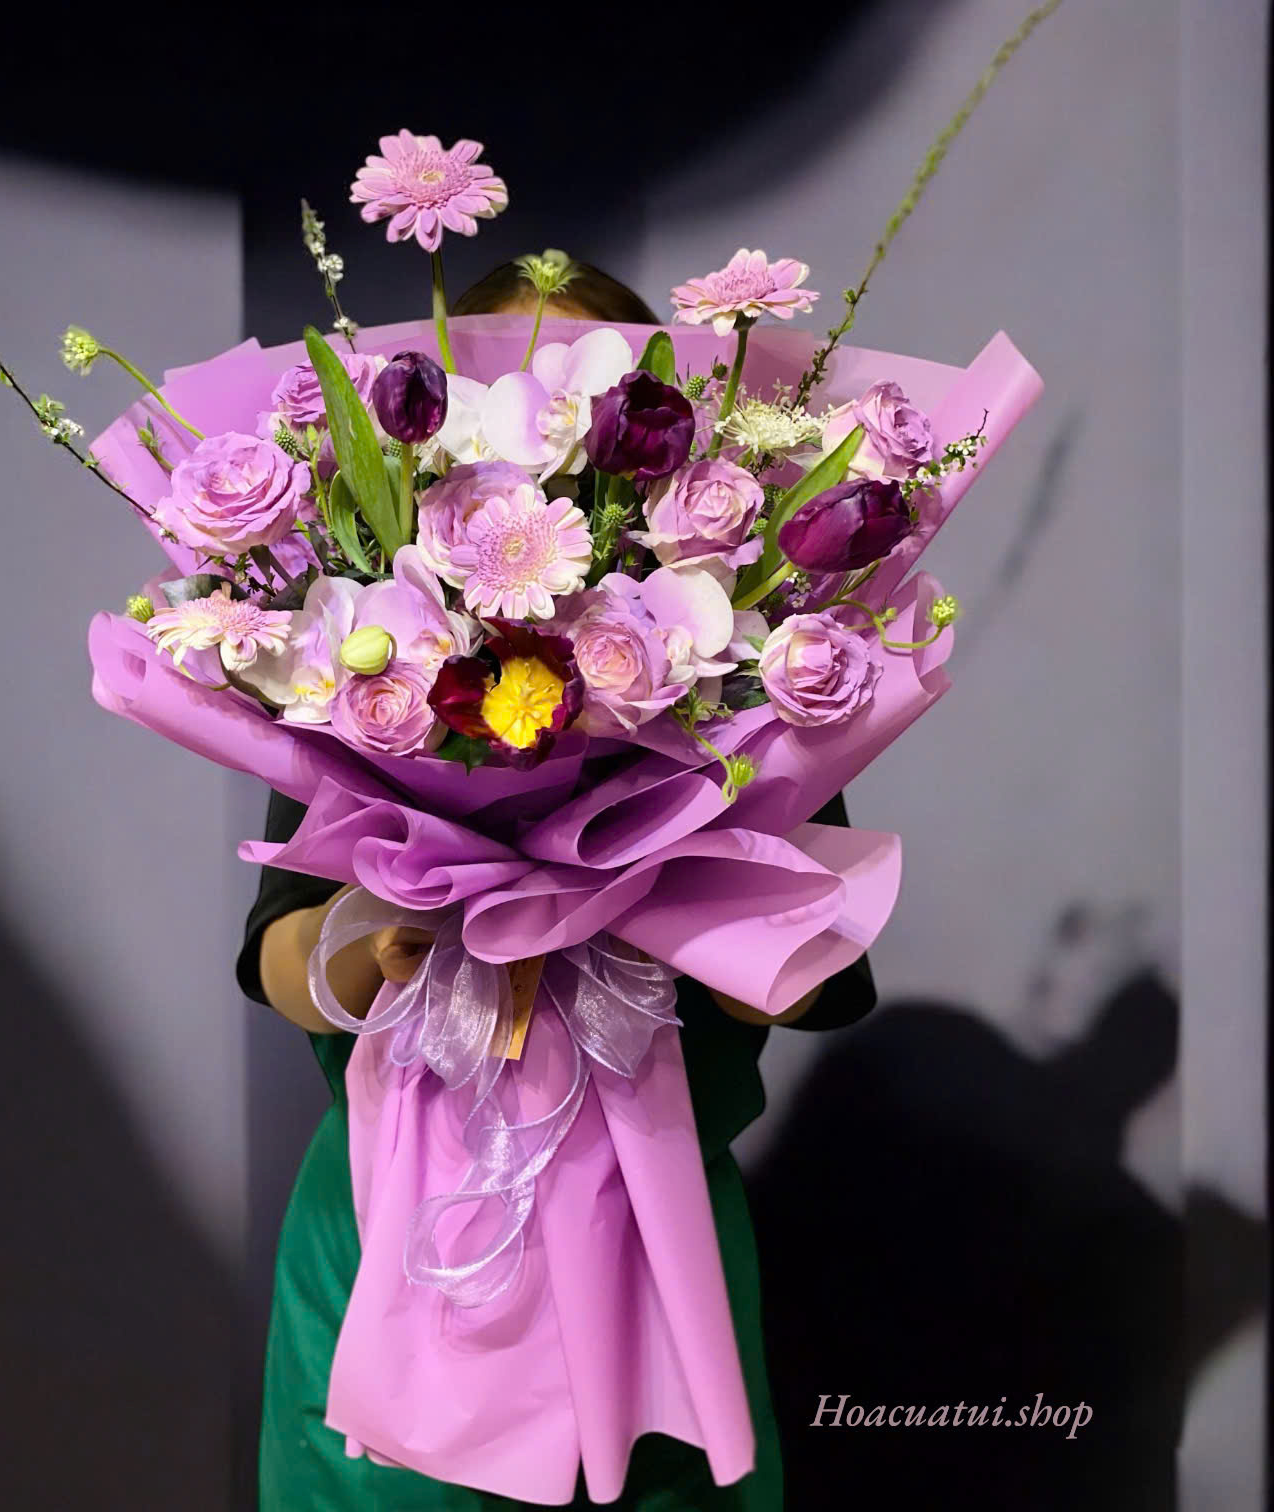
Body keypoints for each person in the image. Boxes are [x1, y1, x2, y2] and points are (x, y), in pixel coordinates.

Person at [236, 260, 878, 1510]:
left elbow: (813, 979)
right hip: (391, 1243)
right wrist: (387, 932)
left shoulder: (747, 672)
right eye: (511, 392)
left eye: (592, 401)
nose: (550, 432)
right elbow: (278, 958)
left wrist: (668, 895)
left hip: (650, 1232)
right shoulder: (363, 661)